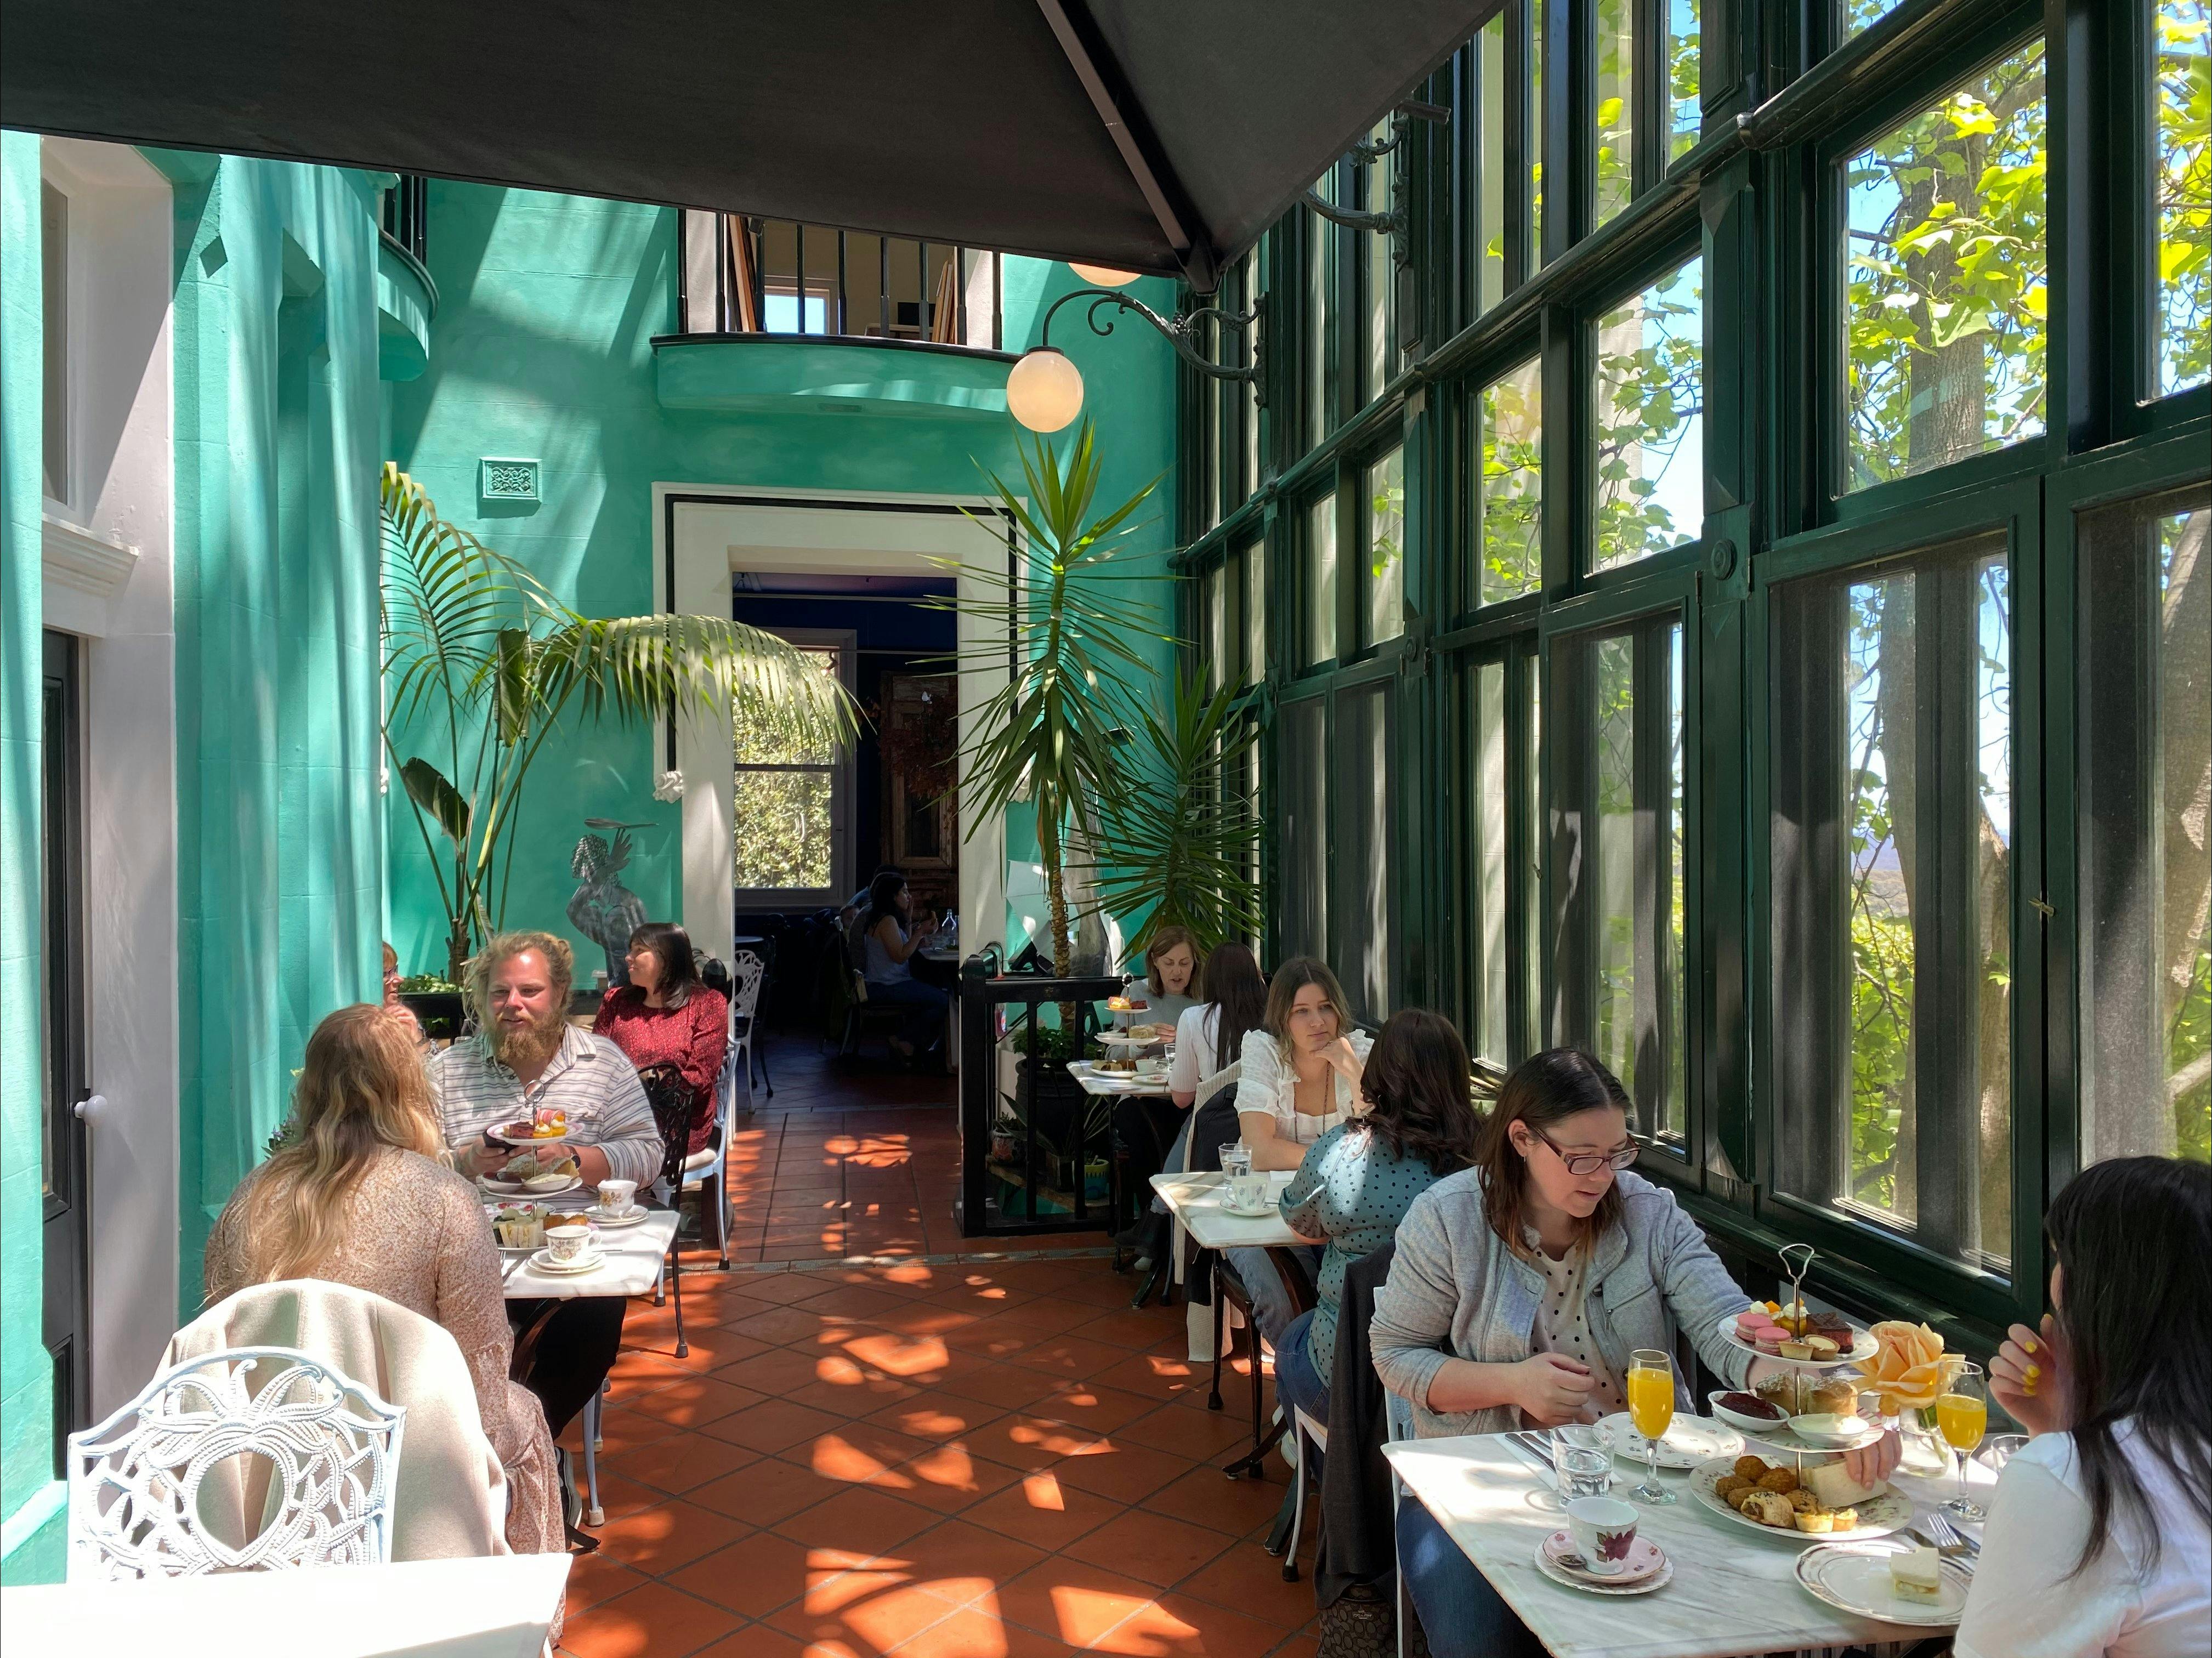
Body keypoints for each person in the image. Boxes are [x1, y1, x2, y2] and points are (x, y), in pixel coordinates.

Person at [1369, 1048, 1901, 1658]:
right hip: (1486, 1486)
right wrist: (1512, 1384)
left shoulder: (1648, 1213)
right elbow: (1394, 1354)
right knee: (1478, 1645)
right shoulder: (1447, 1220)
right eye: (1581, 1157)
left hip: (1648, 1479)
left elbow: (1724, 1324)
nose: (1602, 1176)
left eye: (1617, 1153)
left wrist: (1833, 1406)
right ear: (1520, 1138)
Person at [204, 1004, 564, 1562]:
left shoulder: (250, 1197)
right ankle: (513, 1623)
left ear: (313, 1085)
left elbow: (217, 1340)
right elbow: (483, 1362)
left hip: (271, 1452)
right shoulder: (444, 1198)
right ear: (407, 1087)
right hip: (411, 1457)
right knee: (523, 1414)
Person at [1955, 1156, 2210, 1658]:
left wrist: (2062, 1450)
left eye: (2063, 1259)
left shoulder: (2076, 1484)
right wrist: (2062, 1426)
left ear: (2103, 1293)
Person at [428, 930, 662, 1440]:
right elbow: (408, 1168)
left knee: (593, 1326)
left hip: (576, 1253)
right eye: (499, 993)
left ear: (558, 994)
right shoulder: (447, 1072)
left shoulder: (601, 1064)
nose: (513, 1005)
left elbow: (648, 1155)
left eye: (529, 991)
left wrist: (577, 1158)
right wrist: (465, 1161)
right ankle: (492, 1452)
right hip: (472, 1257)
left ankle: (528, 1449)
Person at [1272, 1009, 1482, 1438]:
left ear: (1380, 1072)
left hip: (1349, 1379)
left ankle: (1321, 1468)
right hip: (1462, 1383)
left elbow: (1302, 1228)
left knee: (1295, 1339)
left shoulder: (1341, 1153)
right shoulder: (1492, 1161)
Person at [1225, 957, 1374, 1346]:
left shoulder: (1359, 1052)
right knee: (1282, 1298)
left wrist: (1355, 1074)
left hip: (1340, 1210)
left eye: (1326, 1007)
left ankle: (1321, 1390)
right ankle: (1304, 1387)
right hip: (1260, 1209)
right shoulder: (1265, 1052)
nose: (1317, 1022)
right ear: (1283, 1019)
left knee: (1360, 1298)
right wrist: (1340, 1159)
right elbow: (1260, 1151)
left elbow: (1382, 1144)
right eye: (1302, 1011)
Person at [595, 921, 728, 1156]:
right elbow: (596, 1059)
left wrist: (645, 1077)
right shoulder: (616, 1001)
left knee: (610, 1153)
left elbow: (699, 1078)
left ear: (667, 958)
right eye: (630, 950)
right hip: (618, 1115)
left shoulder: (706, 1004)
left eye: (639, 950)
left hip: (677, 1122)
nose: (628, 958)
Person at [857, 870, 948, 1058]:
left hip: (885, 982)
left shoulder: (884, 917)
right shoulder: (887, 921)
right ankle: (903, 1038)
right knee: (945, 1001)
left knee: (936, 993)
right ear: (892, 896)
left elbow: (902, 945)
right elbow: (900, 956)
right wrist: (920, 931)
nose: (909, 896)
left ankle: (910, 1042)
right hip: (885, 986)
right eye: (904, 892)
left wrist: (908, 920)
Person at [1132, 926, 1204, 1032]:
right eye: (1169, 963)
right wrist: (1142, 1043)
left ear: (1195, 962)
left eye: (1184, 963)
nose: (1177, 971)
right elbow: (1114, 1049)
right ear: (1154, 961)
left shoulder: (1207, 995)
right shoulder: (1136, 992)